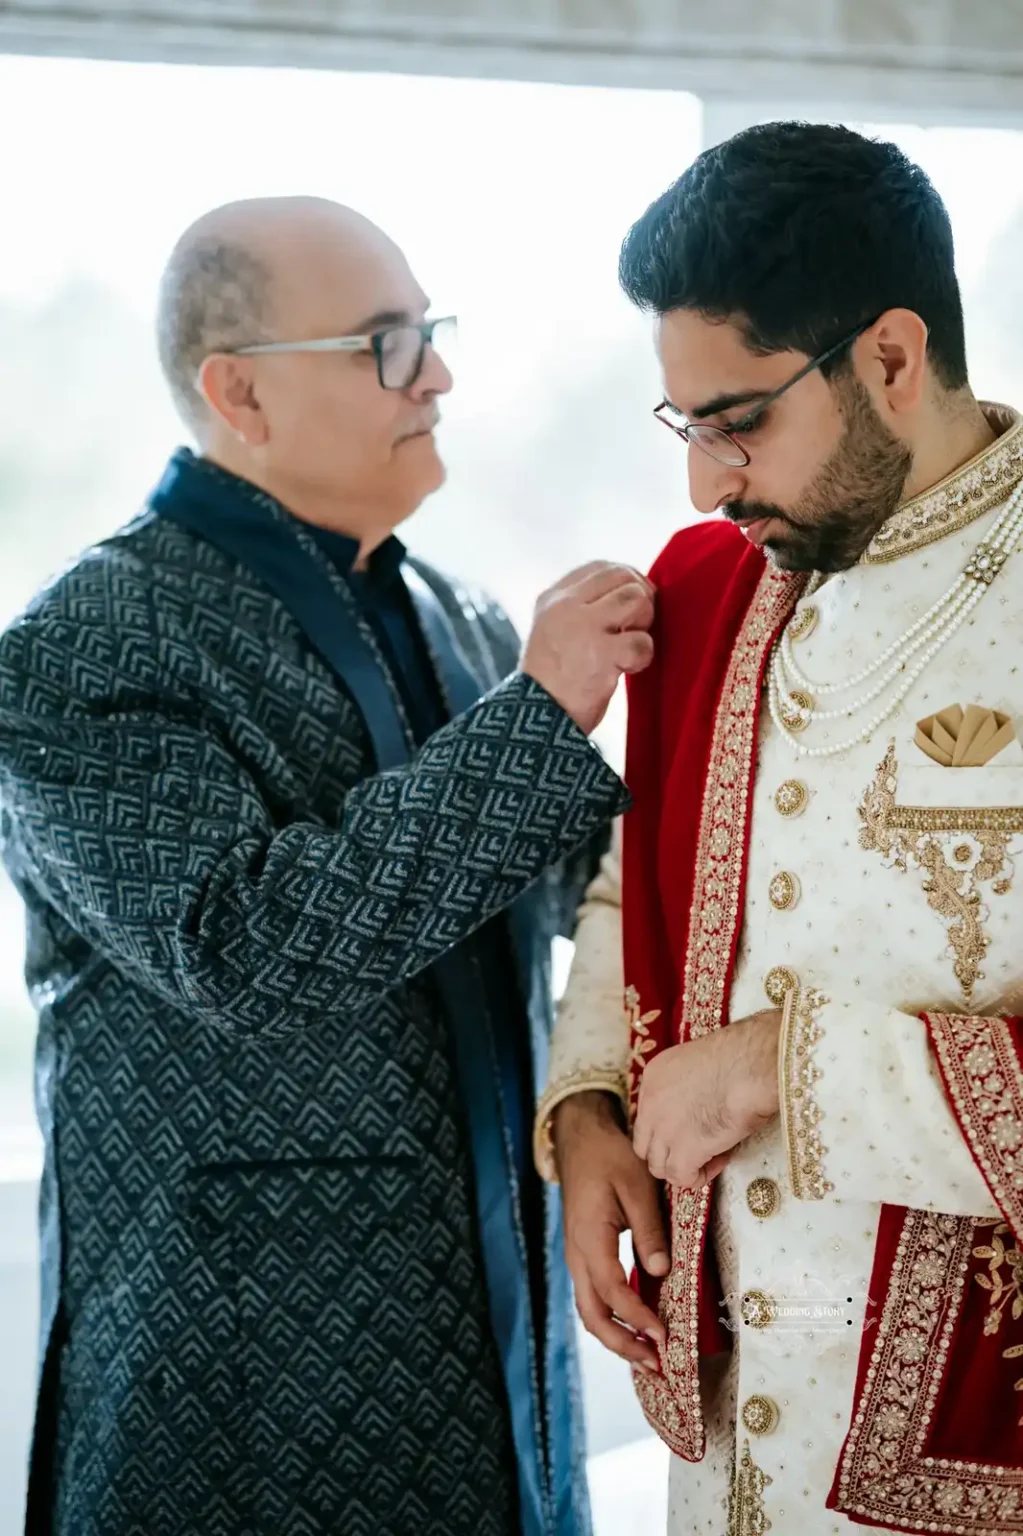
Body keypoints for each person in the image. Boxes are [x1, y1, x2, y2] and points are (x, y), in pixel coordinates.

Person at [0, 196, 656, 1536]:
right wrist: (537, 721)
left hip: (501, 1337)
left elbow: (575, 890)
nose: (440, 377)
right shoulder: (81, 644)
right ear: (236, 390)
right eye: (386, 343)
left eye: (431, 333)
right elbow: (241, 949)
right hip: (239, 1385)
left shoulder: (459, 614)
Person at [534, 123, 1023, 1534]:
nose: (704, 483)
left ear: (886, 358)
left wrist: (782, 1075)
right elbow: (645, 881)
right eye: (682, 427)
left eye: (738, 422)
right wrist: (587, 1114)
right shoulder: (706, 586)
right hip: (731, 1430)